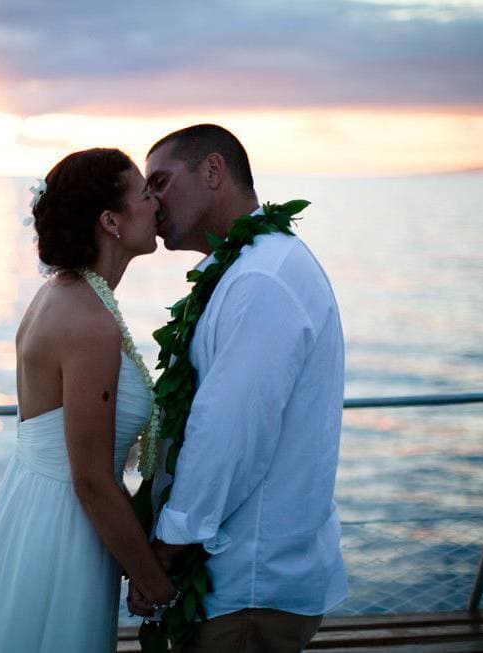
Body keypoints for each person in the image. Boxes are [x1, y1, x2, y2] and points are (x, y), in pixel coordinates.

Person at [128, 124, 348, 652]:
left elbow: (228, 432)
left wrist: (167, 544)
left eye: (159, 182)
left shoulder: (260, 279)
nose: (152, 202)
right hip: (241, 583)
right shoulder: (246, 268)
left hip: (246, 587)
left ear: (212, 170)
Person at [0, 148, 178, 652]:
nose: (157, 204)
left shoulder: (66, 294)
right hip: (61, 535)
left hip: (34, 511)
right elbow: (93, 480)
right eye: (146, 194)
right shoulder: (87, 319)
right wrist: (158, 587)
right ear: (110, 221)